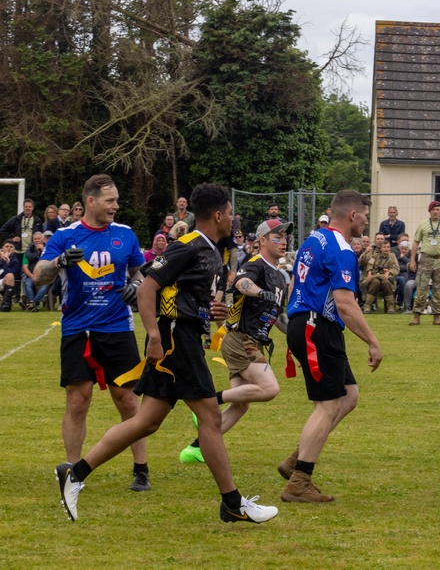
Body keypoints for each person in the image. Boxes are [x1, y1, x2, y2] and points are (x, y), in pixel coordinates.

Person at [54, 182, 279, 524]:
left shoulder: (211, 250)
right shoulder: (187, 246)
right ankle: (233, 503)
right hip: (176, 341)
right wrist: (154, 336)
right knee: (210, 418)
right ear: (217, 215)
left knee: (146, 422)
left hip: (183, 334)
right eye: (230, 213)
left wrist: (209, 312)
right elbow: (147, 288)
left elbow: (180, 295)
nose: (233, 219)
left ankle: (76, 473)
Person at [32, 175, 149, 497]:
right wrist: (57, 263)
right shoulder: (65, 235)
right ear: (91, 202)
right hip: (77, 329)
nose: (116, 206)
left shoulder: (124, 234)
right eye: (110, 200)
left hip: (117, 327)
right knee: (77, 400)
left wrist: (136, 287)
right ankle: (74, 472)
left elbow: (141, 271)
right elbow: (39, 276)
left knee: (127, 399)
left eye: (116, 200)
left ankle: (141, 468)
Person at [282, 190, 383, 503]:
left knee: (348, 396)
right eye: (365, 214)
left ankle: (296, 459)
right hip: (317, 327)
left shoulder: (314, 239)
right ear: (352, 215)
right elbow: (345, 304)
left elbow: (294, 286)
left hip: (308, 324)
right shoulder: (342, 249)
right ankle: (299, 482)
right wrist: (373, 341)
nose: (367, 220)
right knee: (327, 406)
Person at [179, 218, 290, 464]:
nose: (284, 242)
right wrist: (261, 291)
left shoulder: (281, 277)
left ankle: (196, 448)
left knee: (241, 405)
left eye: (285, 238)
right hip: (241, 339)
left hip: (253, 341)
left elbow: (277, 315)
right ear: (262, 241)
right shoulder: (255, 264)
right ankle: (211, 401)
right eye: (277, 237)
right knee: (270, 389)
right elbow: (241, 283)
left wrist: (295, 336)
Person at [409, 200, 440, 326]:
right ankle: (416, 316)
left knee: (439, 288)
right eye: (433, 210)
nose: (435, 212)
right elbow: (415, 242)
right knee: (421, 288)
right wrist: (412, 259)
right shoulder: (423, 224)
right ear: (429, 211)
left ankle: (437, 316)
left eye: (438, 210)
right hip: (426, 259)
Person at [363, 240, 399, 314]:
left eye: (388, 247)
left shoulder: (392, 256)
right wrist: (369, 272)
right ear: (381, 248)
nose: (386, 249)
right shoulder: (375, 256)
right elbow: (370, 264)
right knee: (376, 282)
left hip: (387, 278)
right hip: (374, 277)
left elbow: (396, 268)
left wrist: (388, 272)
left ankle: (391, 306)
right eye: (384, 247)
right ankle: (367, 305)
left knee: (386, 282)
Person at [20, 231, 49, 311]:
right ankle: (33, 303)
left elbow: (51, 262)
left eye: (39, 238)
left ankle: (34, 303)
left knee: (44, 286)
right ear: (33, 241)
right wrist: (32, 276)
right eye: (35, 239)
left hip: (45, 276)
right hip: (31, 275)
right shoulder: (28, 251)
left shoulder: (49, 249)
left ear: (43, 240)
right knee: (27, 284)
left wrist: (43, 250)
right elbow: (25, 267)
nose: (37, 240)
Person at [0, 240, 19, 311]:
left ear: (14, 249)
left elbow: (10, 275)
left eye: (11, 247)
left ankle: (5, 305)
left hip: (4, 282)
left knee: (10, 276)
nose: (9, 248)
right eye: (7, 246)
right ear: (2, 248)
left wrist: (6, 261)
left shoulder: (15, 262)